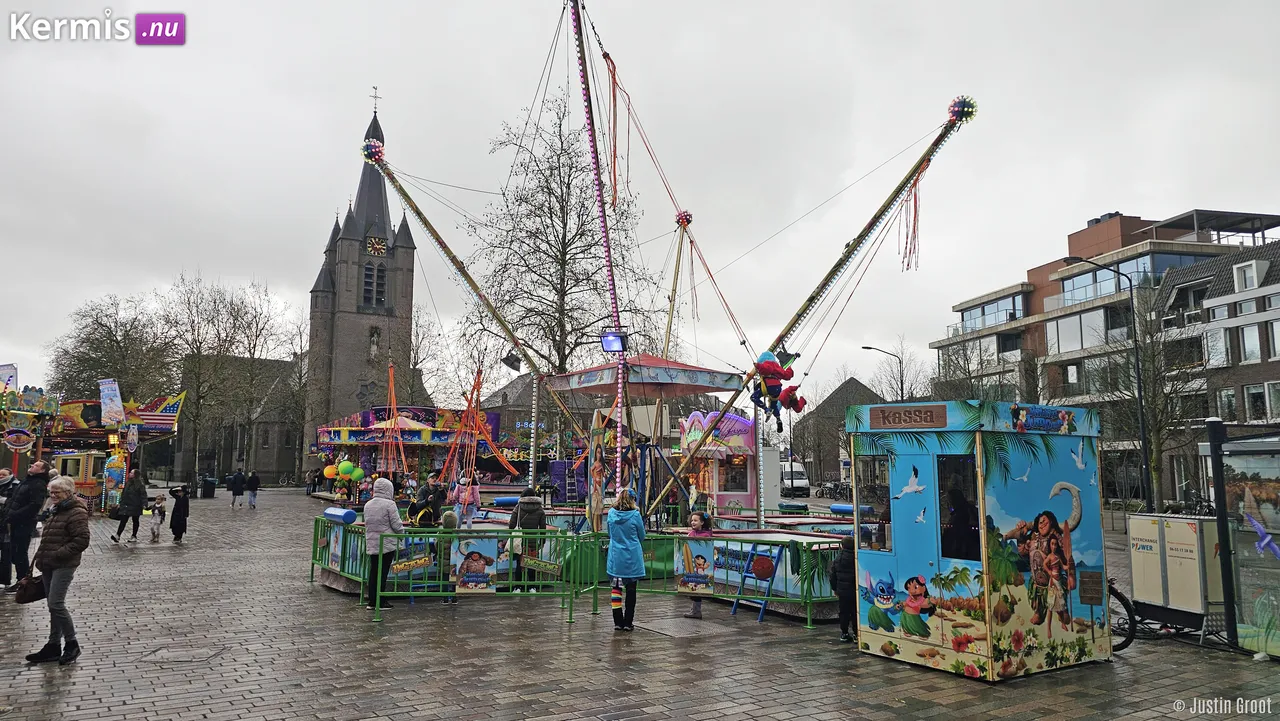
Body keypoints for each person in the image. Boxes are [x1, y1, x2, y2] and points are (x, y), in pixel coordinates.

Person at [26, 476, 90, 665]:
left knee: (56, 604)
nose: (53, 495)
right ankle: (53, 645)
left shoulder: (76, 511)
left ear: (68, 493)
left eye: (57, 492)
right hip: (48, 564)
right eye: (51, 492)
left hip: (63, 563)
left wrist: (57, 554)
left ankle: (72, 643)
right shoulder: (56, 509)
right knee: (52, 606)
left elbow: (81, 540)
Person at [5, 461, 51, 591]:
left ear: (42, 471)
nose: (31, 466)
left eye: (36, 466)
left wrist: (15, 514)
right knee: (15, 551)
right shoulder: (27, 481)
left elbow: (34, 505)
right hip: (15, 520)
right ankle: (22, 578)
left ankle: (23, 580)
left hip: (24, 522)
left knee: (19, 552)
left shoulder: (38, 484)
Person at [606, 492, 646, 632]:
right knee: (631, 590)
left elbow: (609, 533)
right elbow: (642, 535)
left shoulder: (611, 513)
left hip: (616, 557)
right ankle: (628, 622)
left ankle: (618, 621)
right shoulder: (635, 515)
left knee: (616, 589)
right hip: (632, 557)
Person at [362, 478, 403, 611]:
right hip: (386, 542)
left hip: (372, 541)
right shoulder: (389, 505)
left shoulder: (368, 504)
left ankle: (372, 600)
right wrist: (402, 534)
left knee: (374, 571)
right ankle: (381, 600)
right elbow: (396, 524)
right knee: (383, 572)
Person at [508, 487, 546, 593]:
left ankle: (517, 587)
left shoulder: (518, 507)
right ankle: (532, 587)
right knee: (532, 563)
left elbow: (511, 524)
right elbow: (543, 527)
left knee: (519, 564)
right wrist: (542, 541)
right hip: (533, 540)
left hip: (520, 540)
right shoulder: (539, 509)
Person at [683, 511, 714, 619]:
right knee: (693, 589)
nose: (693, 522)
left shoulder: (706, 535)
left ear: (702, 522)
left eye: (695, 520)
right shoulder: (691, 534)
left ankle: (696, 611)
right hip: (692, 568)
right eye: (692, 520)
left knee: (697, 589)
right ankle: (695, 610)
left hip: (701, 570)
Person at [829, 535, 859, 642]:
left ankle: (844, 633)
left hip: (842, 590)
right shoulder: (857, 558)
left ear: (842, 546)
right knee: (855, 612)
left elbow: (833, 575)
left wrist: (835, 589)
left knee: (844, 612)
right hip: (854, 590)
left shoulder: (838, 559)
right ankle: (856, 633)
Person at [112, 469, 147, 543]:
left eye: (131, 473)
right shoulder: (128, 482)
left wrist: (144, 504)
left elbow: (143, 494)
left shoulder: (140, 484)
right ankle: (117, 535)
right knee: (123, 520)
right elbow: (124, 494)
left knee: (135, 520)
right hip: (126, 504)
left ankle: (134, 536)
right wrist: (120, 503)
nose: (129, 473)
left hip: (136, 505)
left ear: (135, 475)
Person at [0, 468, 16, 589]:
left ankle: (5, 580)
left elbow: (16, 502)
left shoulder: (15, 485)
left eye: (3, 474)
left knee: (6, 554)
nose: (1, 476)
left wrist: (4, 501)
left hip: (7, 525)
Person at [440, 510, 459, 605]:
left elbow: (437, 546)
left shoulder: (440, 535)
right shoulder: (456, 535)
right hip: (454, 562)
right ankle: (454, 598)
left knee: (444, 580)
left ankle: (445, 598)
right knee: (454, 580)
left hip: (444, 563)